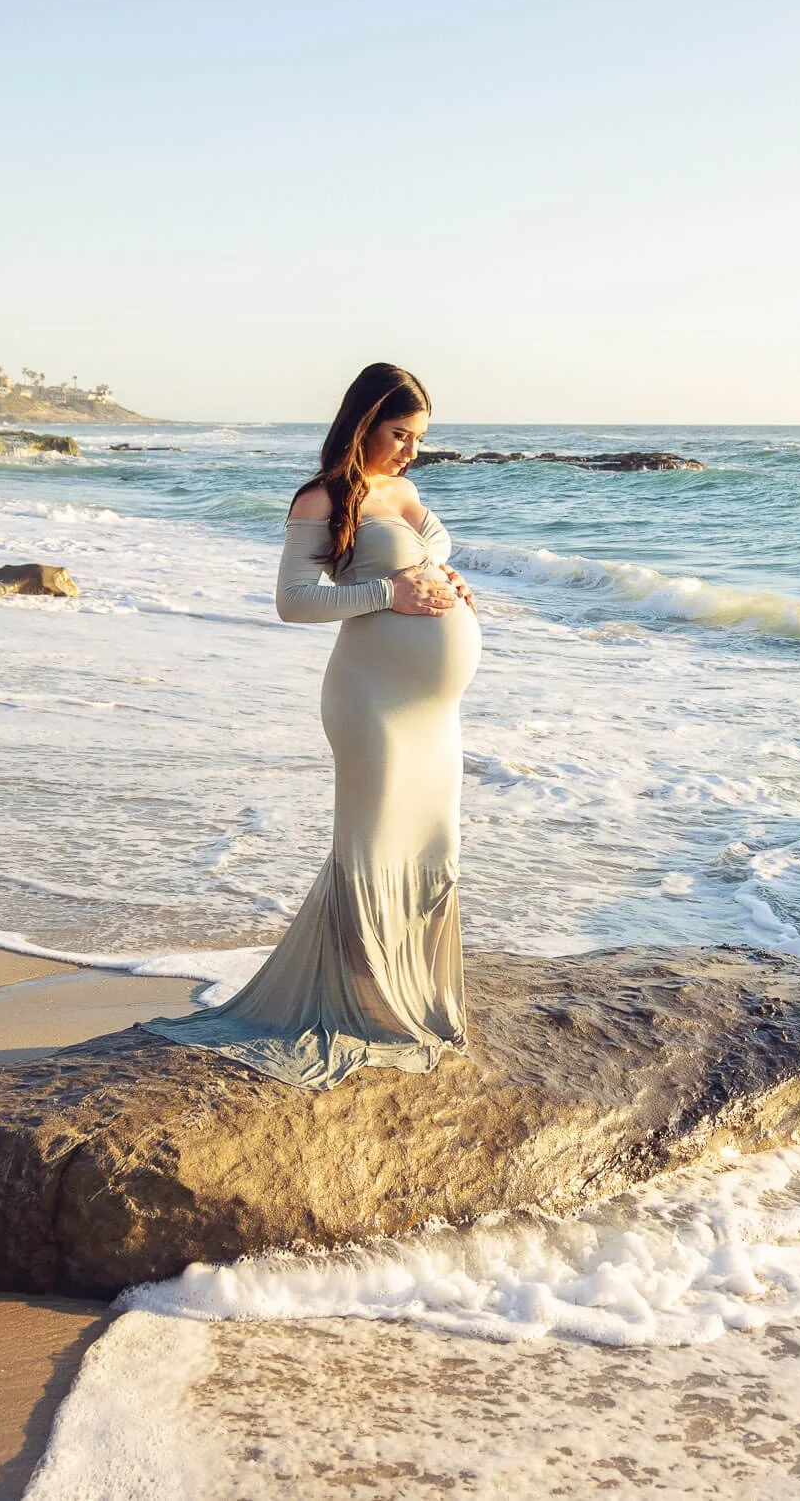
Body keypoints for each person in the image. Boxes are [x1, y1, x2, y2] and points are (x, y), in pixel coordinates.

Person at [143, 363, 482, 1088]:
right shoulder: (321, 498)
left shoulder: (408, 492)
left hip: (434, 711)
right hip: (372, 702)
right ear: (364, 423)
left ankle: (414, 992)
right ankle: (364, 1004)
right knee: (371, 842)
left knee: (433, 837)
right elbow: (294, 601)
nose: (411, 451)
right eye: (400, 434)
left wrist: (445, 580)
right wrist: (391, 588)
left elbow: (431, 557)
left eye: (419, 437)